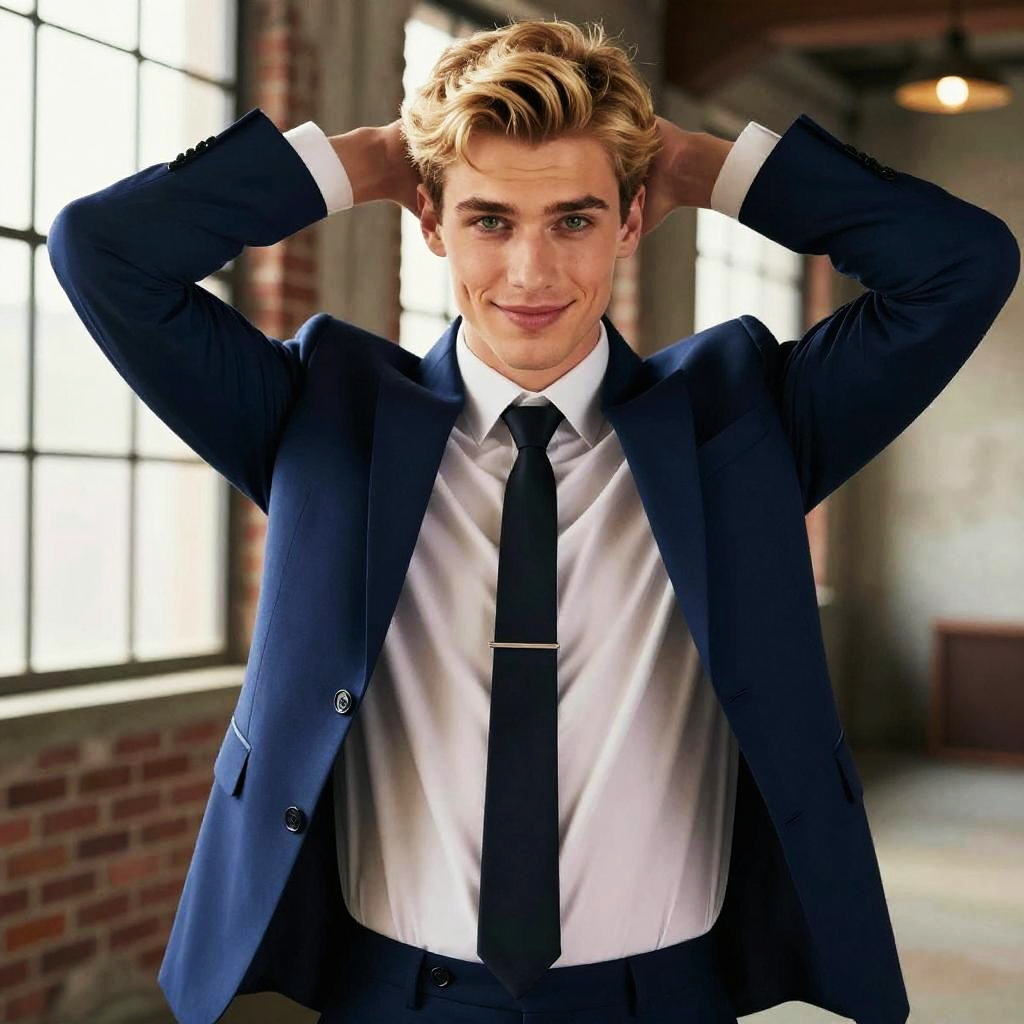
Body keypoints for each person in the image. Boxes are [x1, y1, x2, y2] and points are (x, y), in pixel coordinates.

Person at [47, 16, 1019, 1024]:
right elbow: (103, 251)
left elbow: (962, 263)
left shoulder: (741, 421)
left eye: (573, 218)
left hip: (664, 994)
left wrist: (699, 164)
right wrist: (372, 158)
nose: (530, 275)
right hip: (397, 993)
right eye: (489, 219)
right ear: (429, 221)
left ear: (631, 222)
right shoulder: (324, 413)